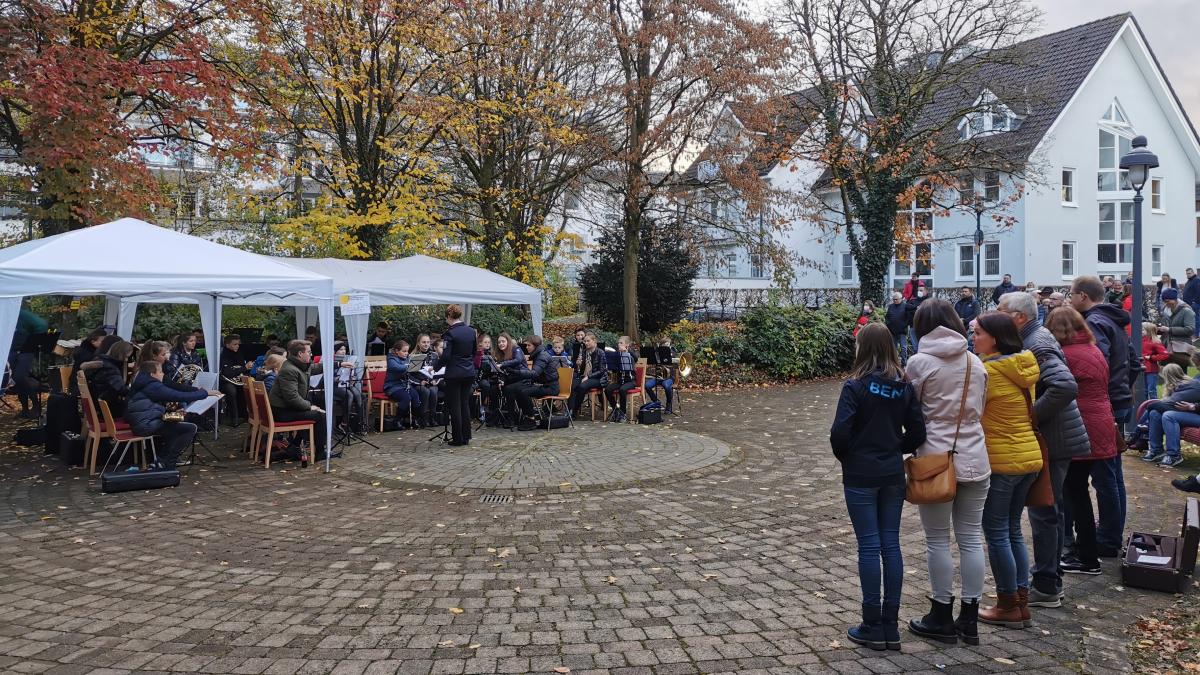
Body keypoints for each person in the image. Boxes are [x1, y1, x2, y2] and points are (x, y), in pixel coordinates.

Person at [830, 323, 926, 651]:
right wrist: (893, 446)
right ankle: (890, 624)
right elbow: (917, 433)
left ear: (863, 348)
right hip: (890, 474)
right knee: (891, 545)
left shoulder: (855, 386)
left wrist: (851, 454)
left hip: (861, 473)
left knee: (869, 547)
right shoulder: (903, 385)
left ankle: (872, 623)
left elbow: (840, 433)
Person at [903, 300, 989, 647]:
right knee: (970, 538)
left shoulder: (919, 362)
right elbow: (979, 409)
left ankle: (941, 611)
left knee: (937, 539)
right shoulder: (975, 362)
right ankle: (970, 617)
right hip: (975, 455)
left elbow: (911, 407)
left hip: (935, 459)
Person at [996, 291, 1089, 608]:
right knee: (1050, 508)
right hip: (1056, 436)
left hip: (1054, 438)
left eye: (1001, 310)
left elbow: (1065, 386)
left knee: (1044, 511)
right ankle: (1049, 578)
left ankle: (1047, 584)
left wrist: (1030, 415)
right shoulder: (1034, 336)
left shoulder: (1038, 342)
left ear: (1019, 316)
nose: (996, 315)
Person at [972, 311, 1042, 630]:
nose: (973, 339)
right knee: (1013, 529)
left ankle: (1007, 604)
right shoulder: (1023, 365)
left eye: (978, 334)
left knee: (996, 530)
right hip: (1028, 455)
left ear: (995, 339)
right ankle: (1021, 602)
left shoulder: (989, 371)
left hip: (1004, 460)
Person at [1045, 306, 1115, 577]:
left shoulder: (1067, 355)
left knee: (1074, 493)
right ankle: (1084, 551)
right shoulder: (1092, 349)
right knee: (1079, 491)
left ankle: (1086, 556)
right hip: (1099, 423)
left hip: (1081, 426)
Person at [1070, 275, 1137, 557]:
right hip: (1118, 401)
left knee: (1105, 475)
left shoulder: (1095, 323)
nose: (1070, 298)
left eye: (1071, 294)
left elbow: (1096, 367)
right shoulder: (1114, 320)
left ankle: (1108, 539)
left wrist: (1104, 396)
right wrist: (1122, 391)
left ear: (1083, 296)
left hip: (1104, 404)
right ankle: (1111, 532)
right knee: (1113, 473)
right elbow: (1134, 362)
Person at [123, 361, 211, 471]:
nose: (162, 374)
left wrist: (170, 410)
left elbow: (148, 407)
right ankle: (169, 462)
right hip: (146, 425)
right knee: (190, 428)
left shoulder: (143, 383)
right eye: (160, 372)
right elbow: (178, 395)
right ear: (152, 374)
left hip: (142, 423)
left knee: (175, 425)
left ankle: (161, 460)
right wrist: (203, 393)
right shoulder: (153, 385)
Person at [268, 340, 327, 461]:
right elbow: (292, 398)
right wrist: (309, 406)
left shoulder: (296, 365)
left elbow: (315, 368)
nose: (311, 355)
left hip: (286, 408)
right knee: (319, 415)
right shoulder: (289, 370)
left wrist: (338, 364)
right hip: (282, 412)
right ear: (300, 354)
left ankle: (294, 446)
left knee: (314, 411)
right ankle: (320, 453)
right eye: (309, 352)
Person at [1142, 350, 1200, 468]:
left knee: (1169, 415)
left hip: (1196, 413)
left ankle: (1174, 455)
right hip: (1193, 412)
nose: (1197, 367)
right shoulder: (1197, 377)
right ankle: (1156, 449)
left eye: (1197, 364)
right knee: (1155, 413)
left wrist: (1193, 406)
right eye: (1196, 365)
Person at [440, 304, 477, 445]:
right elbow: (473, 352)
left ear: (449, 316)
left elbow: (445, 357)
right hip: (468, 372)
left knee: (455, 406)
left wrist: (434, 368)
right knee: (464, 404)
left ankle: (457, 439)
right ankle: (466, 436)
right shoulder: (470, 331)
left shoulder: (450, 333)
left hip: (454, 374)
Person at [508, 335, 559, 432]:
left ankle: (531, 418)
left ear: (535, 346)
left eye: (528, 345)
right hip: (543, 385)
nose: (526, 347)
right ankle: (526, 415)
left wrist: (516, 372)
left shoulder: (542, 356)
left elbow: (535, 373)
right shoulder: (538, 354)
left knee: (524, 392)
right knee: (518, 389)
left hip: (551, 387)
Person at [9, 305, 48, 419]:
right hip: (10, 350)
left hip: (25, 350)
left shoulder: (21, 314)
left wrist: (33, 341)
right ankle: (25, 409)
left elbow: (41, 324)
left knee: (20, 377)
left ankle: (36, 406)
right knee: (15, 380)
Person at [85, 340, 136, 418]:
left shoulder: (99, 361)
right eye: (126, 357)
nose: (126, 360)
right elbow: (121, 389)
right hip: (107, 408)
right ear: (120, 354)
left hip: (98, 404)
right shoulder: (110, 368)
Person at [568, 332, 607, 416]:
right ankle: (570, 410)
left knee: (582, 386)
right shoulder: (584, 352)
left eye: (588, 341)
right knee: (573, 385)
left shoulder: (600, 352)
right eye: (585, 341)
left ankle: (575, 410)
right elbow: (581, 369)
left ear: (594, 341)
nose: (586, 343)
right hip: (584, 377)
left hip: (598, 378)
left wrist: (588, 377)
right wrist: (579, 364)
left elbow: (602, 370)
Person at [218, 334, 253, 426]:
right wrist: (244, 367)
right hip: (225, 380)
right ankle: (234, 418)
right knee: (231, 390)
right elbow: (227, 372)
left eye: (238, 344)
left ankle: (244, 415)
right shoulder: (223, 355)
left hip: (238, 379)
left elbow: (240, 368)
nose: (237, 346)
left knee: (246, 388)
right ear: (227, 345)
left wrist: (246, 369)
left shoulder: (239, 353)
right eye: (235, 344)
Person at [384, 340, 420, 427]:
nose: (406, 353)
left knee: (415, 397)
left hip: (404, 385)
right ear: (396, 351)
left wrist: (419, 381)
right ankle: (397, 420)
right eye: (404, 351)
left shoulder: (407, 359)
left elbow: (410, 373)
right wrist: (409, 366)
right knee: (406, 398)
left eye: (407, 351)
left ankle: (413, 419)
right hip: (392, 387)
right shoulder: (391, 358)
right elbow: (397, 367)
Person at [1157, 288, 1195, 369]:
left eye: (1167, 301)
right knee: (1168, 375)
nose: (1166, 304)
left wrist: (1169, 329)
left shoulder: (1187, 311)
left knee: (1181, 375)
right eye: (1164, 301)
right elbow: (1166, 327)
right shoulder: (1165, 310)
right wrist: (1158, 329)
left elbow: (1190, 329)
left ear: (1175, 299)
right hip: (1167, 347)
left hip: (1180, 349)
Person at [408, 333, 441, 427]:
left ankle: (432, 418)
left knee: (433, 392)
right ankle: (422, 418)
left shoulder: (434, 355)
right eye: (423, 342)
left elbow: (439, 371)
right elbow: (409, 375)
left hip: (431, 382)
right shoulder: (414, 356)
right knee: (425, 392)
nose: (426, 344)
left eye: (428, 342)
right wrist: (420, 382)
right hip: (418, 383)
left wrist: (436, 380)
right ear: (418, 343)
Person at [604, 336, 638, 423]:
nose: (619, 345)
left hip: (631, 381)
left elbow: (634, 363)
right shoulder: (617, 356)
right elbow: (615, 371)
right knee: (608, 389)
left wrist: (626, 353)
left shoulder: (630, 356)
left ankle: (623, 413)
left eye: (621, 343)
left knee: (622, 390)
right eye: (618, 343)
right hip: (621, 381)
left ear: (627, 345)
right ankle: (616, 409)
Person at [69, 329, 107, 395]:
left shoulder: (93, 351)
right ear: (93, 342)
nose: (105, 343)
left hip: (87, 384)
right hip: (80, 387)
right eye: (103, 341)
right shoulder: (85, 354)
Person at [645, 337, 676, 413]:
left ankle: (669, 404)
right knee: (647, 386)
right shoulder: (657, 353)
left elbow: (675, 364)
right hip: (658, 377)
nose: (667, 346)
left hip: (669, 377)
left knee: (666, 385)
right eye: (665, 344)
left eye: (668, 344)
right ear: (661, 345)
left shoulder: (672, 351)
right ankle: (656, 401)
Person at [1142, 323, 1170, 401]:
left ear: (1149, 331)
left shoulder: (1155, 342)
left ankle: (1154, 406)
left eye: (1143, 329)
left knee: (1151, 390)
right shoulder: (1138, 340)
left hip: (1151, 370)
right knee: (1142, 391)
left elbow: (1165, 354)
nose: (1141, 331)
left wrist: (1152, 357)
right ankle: (1143, 409)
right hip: (1141, 369)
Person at [885, 292, 910, 364]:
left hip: (902, 331)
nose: (894, 301)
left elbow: (908, 317)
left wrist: (904, 325)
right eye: (893, 299)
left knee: (903, 347)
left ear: (900, 299)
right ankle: (894, 362)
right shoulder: (891, 306)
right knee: (893, 348)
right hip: (892, 331)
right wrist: (888, 324)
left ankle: (904, 362)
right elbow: (887, 317)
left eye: (896, 299)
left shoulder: (905, 306)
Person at [1183, 268, 1200, 337]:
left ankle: (1196, 334)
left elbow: (1198, 292)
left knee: (1196, 319)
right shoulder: (1189, 281)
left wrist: (1194, 302)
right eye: (1187, 273)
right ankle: (1192, 333)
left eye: (1189, 273)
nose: (1188, 275)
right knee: (1190, 319)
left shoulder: (1196, 280)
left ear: (1193, 273)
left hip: (1194, 304)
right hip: (1187, 304)